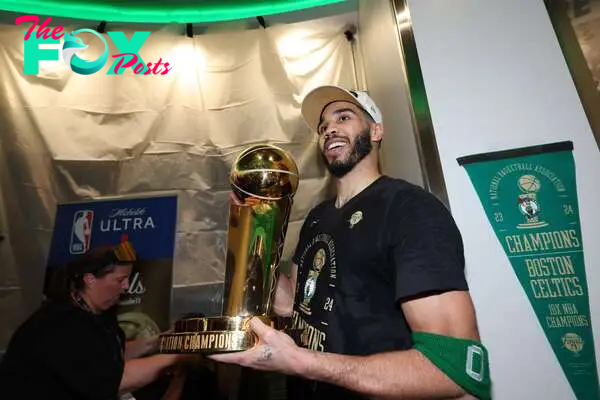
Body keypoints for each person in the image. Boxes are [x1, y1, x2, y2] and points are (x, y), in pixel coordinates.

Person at [210, 85, 492, 400]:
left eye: (343, 117)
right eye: (323, 126)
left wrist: (305, 363)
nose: (329, 129)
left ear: (376, 131)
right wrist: (255, 229)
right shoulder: (318, 217)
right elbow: (296, 305)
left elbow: (454, 369)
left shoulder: (409, 208)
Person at [0, 241, 189, 399]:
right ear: (90, 279)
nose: (126, 286)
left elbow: (110, 354)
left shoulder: (99, 313)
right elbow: (116, 379)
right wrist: (176, 357)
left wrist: (162, 340)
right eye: (120, 279)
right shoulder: (60, 325)